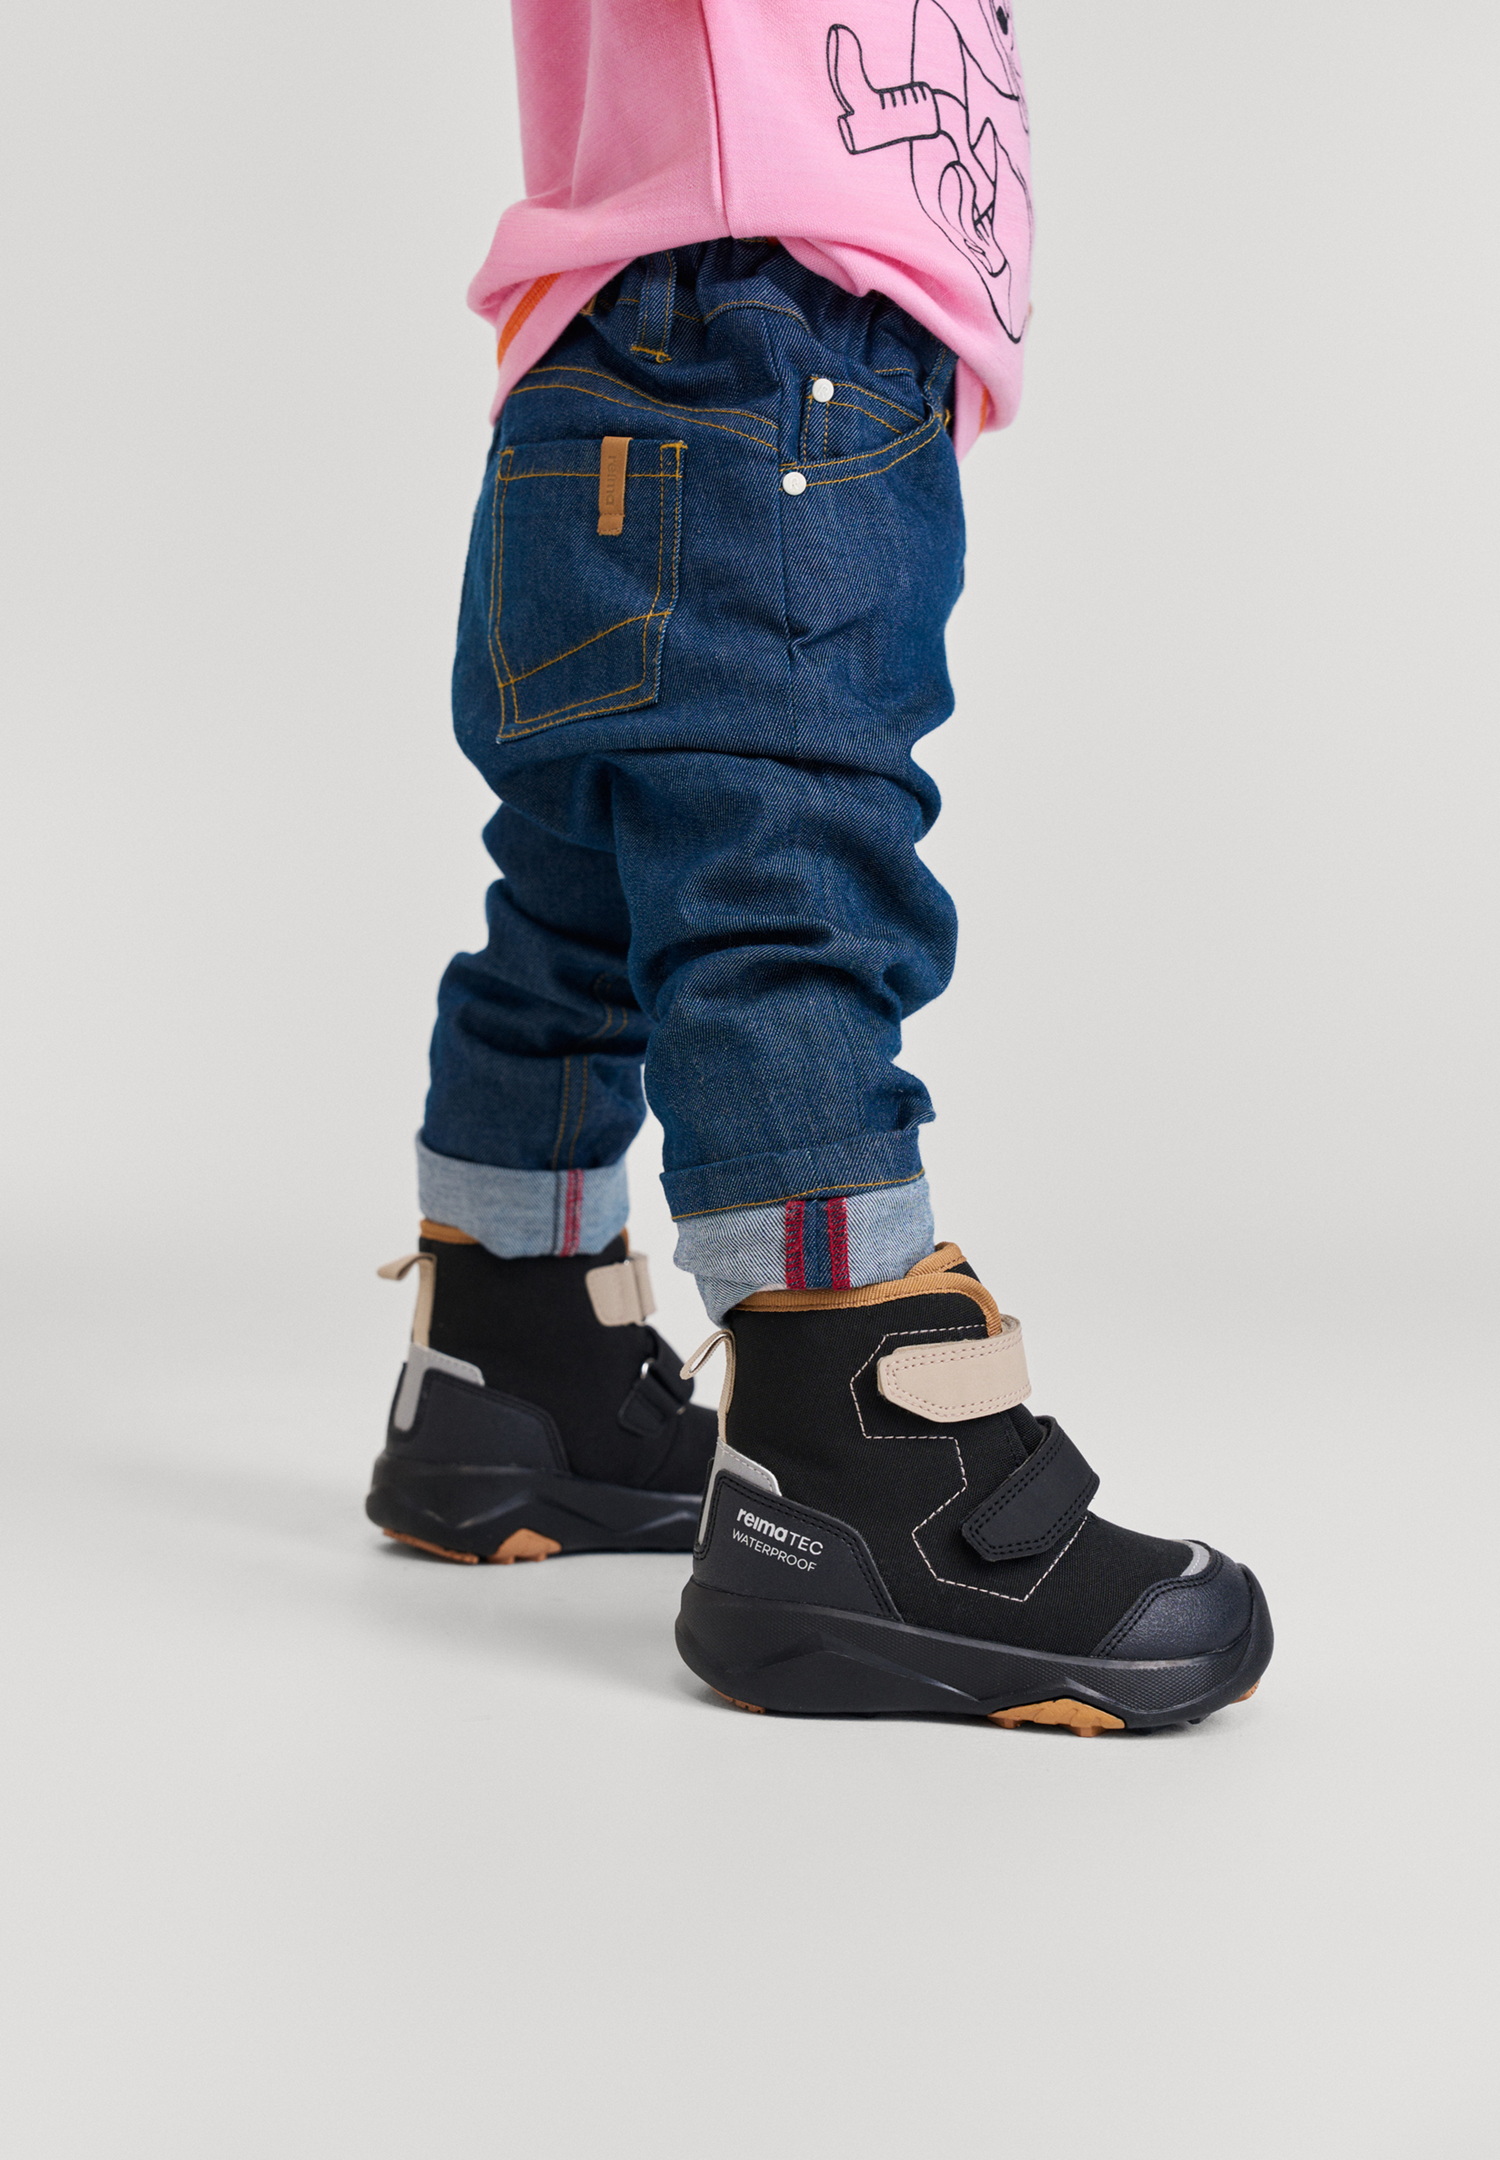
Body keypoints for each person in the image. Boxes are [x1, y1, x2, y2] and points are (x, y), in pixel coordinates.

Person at [366, 1, 1272, 1733]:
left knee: (583, 892)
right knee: (783, 880)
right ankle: (853, 1460)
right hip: (771, 339)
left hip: (601, 356)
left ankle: (511, 1363)